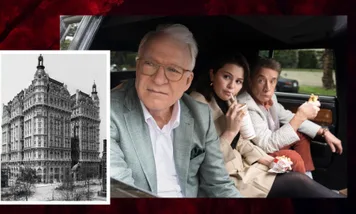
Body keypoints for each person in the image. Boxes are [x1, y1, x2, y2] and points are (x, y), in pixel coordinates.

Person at [110, 24, 242, 198]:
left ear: (188, 81)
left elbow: (218, 184)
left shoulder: (201, 115)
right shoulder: (106, 111)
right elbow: (121, 193)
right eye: (150, 64)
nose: (158, 80)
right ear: (138, 67)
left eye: (173, 70)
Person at [190, 53, 344, 198]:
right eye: (226, 77)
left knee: (296, 164)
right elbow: (205, 161)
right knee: (296, 179)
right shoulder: (199, 105)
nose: (231, 86)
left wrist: (264, 159)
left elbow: (241, 142)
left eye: (238, 81)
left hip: (244, 165)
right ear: (212, 75)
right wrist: (230, 131)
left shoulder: (230, 100)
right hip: (226, 175)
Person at [237, 57, 343, 178]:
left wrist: (323, 132)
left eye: (272, 81)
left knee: (300, 134)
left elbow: (287, 116)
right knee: (292, 156)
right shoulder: (246, 105)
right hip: (258, 153)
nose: (267, 88)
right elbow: (265, 145)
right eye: (261, 80)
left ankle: (308, 178)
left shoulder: (272, 98)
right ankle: (306, 188)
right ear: (250, 81)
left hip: (270, 144)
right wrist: (301, 115)